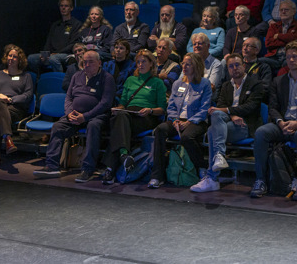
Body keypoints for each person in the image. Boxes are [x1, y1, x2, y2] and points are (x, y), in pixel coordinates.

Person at [33, 50, 115, 182]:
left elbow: (105, 103)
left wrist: (85, 116)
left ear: (99, 63)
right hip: (74, 114)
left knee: (93, 127)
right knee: (58, 126)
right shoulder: (77, 75)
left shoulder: (107, 78)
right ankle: (52, 166)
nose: (87, 65)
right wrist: (69, 113)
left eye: (91, 62)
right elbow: (69, 97)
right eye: (85, 62)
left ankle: (87, 169)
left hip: (96, 116)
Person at [251, 41, 297, 201]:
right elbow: (273, 108)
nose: (291, 60)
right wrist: (280, 122)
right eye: (288, 57)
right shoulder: (278, 81)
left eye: (295, 56)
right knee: (261, 133)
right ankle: (260, 180)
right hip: (282, 123)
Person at [190, 54, 263, 193]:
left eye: (237, 65)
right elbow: (221, 104)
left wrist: (229, 111)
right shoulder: (226, 86)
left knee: (212, 130)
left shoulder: (255, 84)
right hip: (228, 124)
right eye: (231, 66)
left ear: (244, 66)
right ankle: (218, 159)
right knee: (215, 120)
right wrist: (233, 114)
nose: (234, 68)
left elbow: (250, 107)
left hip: (246, 125)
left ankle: (212, 178)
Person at [101, 49, 167, 185]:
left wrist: (150, 110)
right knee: (120, 117)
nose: (140, 64)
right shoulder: (130, 80)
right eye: (138, 62)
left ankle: (111, 167)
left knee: (118, 126)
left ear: (151, 64)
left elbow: (162, 109)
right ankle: (124, 156)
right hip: (128, 114)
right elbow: (123, 103)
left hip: (146, 116)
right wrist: (117, 109)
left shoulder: (157, 82)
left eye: (144, 62)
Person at [148, 52, 212, 189]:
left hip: (196, 121)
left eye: (188, 64)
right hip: (177, 120)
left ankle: (202, 168)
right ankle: (157, 175)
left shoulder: (204, 83)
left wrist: (189, 122)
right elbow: (171, 106)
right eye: (183, 63)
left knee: (187, 137)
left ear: (196, 66)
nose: (184, 66)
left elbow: (205, 108)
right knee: (160, 130)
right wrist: (175, 119)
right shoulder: (178, 83)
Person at [0, 45, 34, 166]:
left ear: (19, 59)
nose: (11, 58)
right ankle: (8, 139)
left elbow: (28, 95)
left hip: (14, 108)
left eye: (14, 56)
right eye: (9, 56)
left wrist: (10, 99)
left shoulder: (26, 76)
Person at [27, 0, 82, 73]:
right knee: (31, 58)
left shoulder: (76, 24)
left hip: (66, 54)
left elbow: (73, 44)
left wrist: (58, 53)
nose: (63, 8)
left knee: (53, 59)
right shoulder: (55, 25)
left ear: (71, 8)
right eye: (61, 6)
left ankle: (60, 81)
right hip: (52, 54)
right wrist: (44, 54)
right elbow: (48, 42)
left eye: (66, 6)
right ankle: (39, 79)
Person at [261, 0, 297, 71]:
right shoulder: (274, 26)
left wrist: (279, 36)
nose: (283, 12)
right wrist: (288, 40)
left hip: (293, 56)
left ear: (294, 11)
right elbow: (268, 44)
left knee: (288, 62)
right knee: (259, 61)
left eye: (286, 9)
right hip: (274, 57)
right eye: (281, 10)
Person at [190, 32, 223, 102]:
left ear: (208, 46)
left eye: (200, 43)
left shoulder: (216, 64)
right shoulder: (189, 63)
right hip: (188, 98)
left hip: (206, 101)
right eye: (194, 44)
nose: (196, 46)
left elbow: (209, 88)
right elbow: (181, 82)